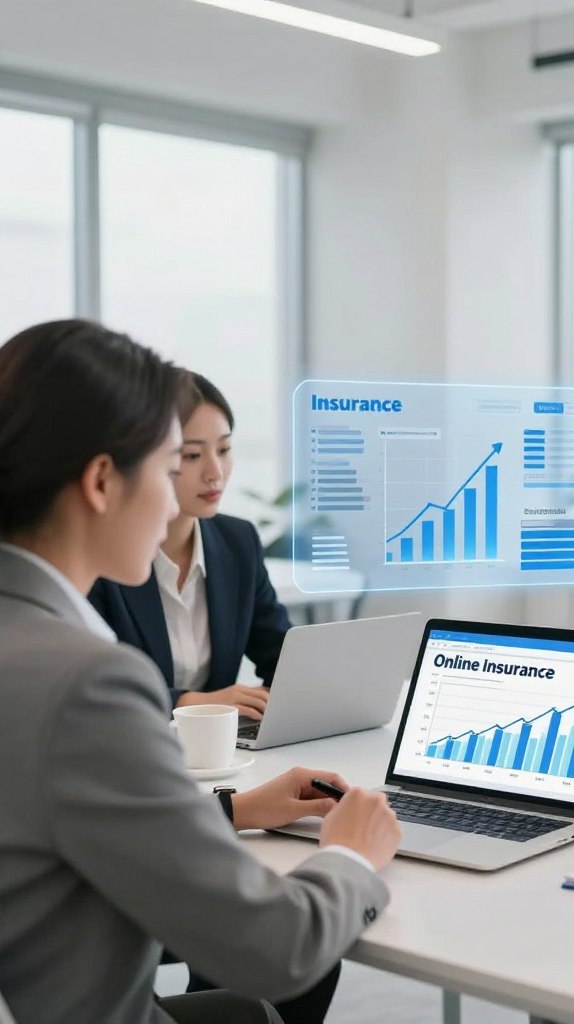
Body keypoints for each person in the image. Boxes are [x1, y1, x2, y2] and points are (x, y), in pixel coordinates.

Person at [0, 319, 402, 1024]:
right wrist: (351, 858)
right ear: (101, 480)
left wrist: (235, 809)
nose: (183, 493)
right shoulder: (86, 682)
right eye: (168, 466)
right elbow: (277, 949)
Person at [90, 372, 287, 722]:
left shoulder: (238, 541)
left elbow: (282, 656)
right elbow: (93, 685)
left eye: (224, 450)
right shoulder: (103, 554)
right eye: (192, 455)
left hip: (223, 757)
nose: (216, 473)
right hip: (131, 746)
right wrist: (186, 702)